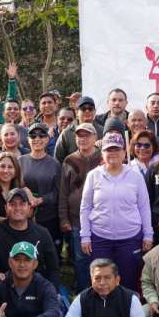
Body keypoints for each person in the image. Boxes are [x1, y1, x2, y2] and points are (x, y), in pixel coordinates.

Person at [79, 131, 152, 295]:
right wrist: (85, 235)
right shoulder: (93, 175)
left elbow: (144, 206)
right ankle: (101, 316)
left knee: (128, 281)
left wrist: (148, 234)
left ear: (124, 152)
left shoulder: (135, 176)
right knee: (101, 282)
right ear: (102, 152)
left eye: (116, 149)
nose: (112, 153)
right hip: (100, 238)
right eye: (108, 150)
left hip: (130, 238)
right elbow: (85, 207)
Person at [0, 188, 60, 289]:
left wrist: (52, 291)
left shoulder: (43, 233)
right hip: (6, 288)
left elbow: (53, 268)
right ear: (6, 208)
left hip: (36, 289)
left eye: (22, 204)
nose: (17, 208)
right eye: (12, 204)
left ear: (30, 208)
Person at [58, 124, 102, 291]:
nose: (82, 139)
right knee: (81, 258)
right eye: (79, 136)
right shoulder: (69, 160)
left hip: (100, 219)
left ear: (95, 137)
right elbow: (63, 192)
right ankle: (85, 292)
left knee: (98, 257)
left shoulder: (102, 158)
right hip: (76, 219)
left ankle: (100, 290)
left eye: (87, 135)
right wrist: (63, 218)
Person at [20, 123, 62, 244]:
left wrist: (41, 200)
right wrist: (27, 193)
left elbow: (58, 191)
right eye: (33, 136)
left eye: (42, 135)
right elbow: (15, 184)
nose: (37, 139)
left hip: (48, 217)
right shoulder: (20, 161)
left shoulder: (55, 164)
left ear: (48, 139)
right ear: (28, 140)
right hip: (23, 216)